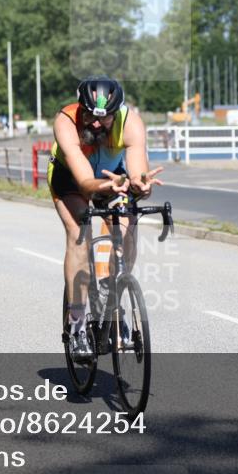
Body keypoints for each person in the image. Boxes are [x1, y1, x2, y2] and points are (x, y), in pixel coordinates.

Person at [47, 77, 163, 362]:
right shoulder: (66, 121)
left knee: (128, 224)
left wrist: (140, 185)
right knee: (80, 234)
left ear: (117, 112)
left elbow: (136, 174)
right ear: (80, 108)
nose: (96, 124)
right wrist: (106, 186)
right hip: (73, 180)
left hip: (115, 178)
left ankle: (112, 302)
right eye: (90, 116)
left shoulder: (132, 123)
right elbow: (86, 182)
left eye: (105, 119)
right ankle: (76, 323)